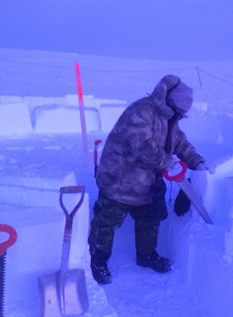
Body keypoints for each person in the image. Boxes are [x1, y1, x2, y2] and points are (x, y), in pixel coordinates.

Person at [88, 74, 213, 284]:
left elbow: (180, 143)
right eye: (180, 112)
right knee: (107, 222)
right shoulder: (142, 111)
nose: (180, 116)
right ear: (170, 102)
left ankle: (146, 255)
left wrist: (197, 162)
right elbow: (140, 145)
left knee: (150, 218)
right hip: (120, 179)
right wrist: (166, 161)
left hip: (146, 183)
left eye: (183, 114)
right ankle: (98, 260)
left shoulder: (170, 118)